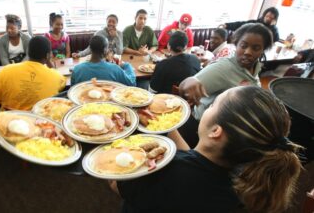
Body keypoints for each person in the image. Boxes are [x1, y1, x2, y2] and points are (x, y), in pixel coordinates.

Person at [111, 86, 302, 213]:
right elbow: (194, 159)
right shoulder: (248, 179)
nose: (207, 107)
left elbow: (117, 183)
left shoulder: (169, 173)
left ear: (216, 131)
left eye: (212, 105)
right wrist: (165, 126)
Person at [179, 23, 273, 120]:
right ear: (236, 45)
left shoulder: (255, 67)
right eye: (243, 46)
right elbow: (185, 89)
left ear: (263, 50)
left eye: (256, 48)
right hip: (205, 125)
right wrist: (187, 83)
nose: (248, 52)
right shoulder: (223, 67)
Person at [0, 36, 66, 111]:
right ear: (48, 55)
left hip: (8, 123)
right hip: (40, 124)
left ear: (28, 52)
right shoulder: (56, 76)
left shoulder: (7, 70)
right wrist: (49, 62)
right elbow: (61, 83)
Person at [71, 35, 136, 86]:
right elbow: (132, 83)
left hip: (84, 102)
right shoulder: (115, 69)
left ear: (90, 49)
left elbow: (73, 90)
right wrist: (127, 65)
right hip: (109, 102)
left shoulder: (77, 69)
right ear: (105, 51)